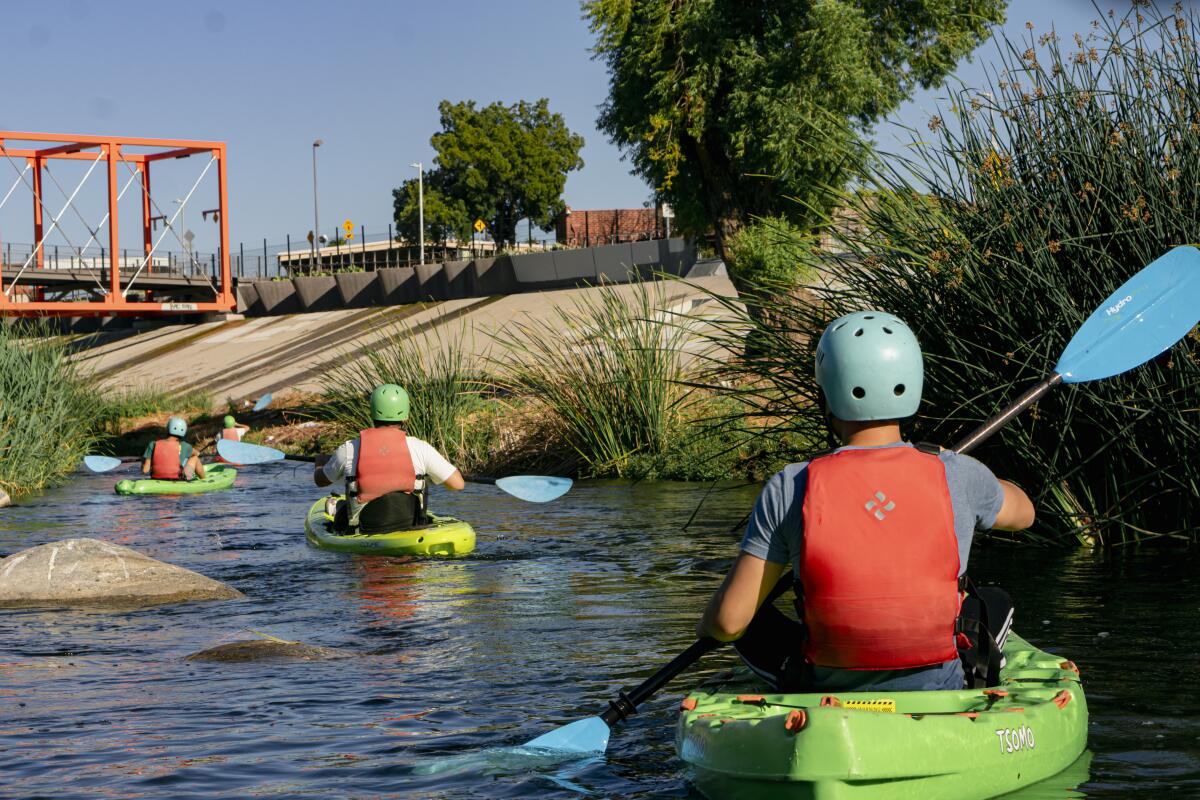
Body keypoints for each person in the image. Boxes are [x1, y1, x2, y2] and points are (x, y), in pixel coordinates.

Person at [698, 311, 1035, 692]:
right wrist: (954, 461)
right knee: (993, 599)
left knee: (746, 618)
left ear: (826, 394)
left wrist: (707, 622)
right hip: (936, 684)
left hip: (823, 683)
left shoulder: (790, 484)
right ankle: (971, 675)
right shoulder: (956, 473)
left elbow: (728, 624)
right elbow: (1024, 513)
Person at [314, 383, 465, 533]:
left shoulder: (349, 449)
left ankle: (336, 507)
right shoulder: (420, 448)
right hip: (410, 526)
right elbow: (458, 484)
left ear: (372, 413)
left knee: (341, 506)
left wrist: (320, 464)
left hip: (365, 531)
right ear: (405, 415)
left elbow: (320, 480)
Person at [142, 416, 206, 481]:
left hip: (156, 478)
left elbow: (145, 470)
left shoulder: (153, 444)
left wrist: (143, 461)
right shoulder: (185, 446)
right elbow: (197, 453)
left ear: (168, 428)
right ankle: (203, 479)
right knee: (194, 458)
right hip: (177, 479)